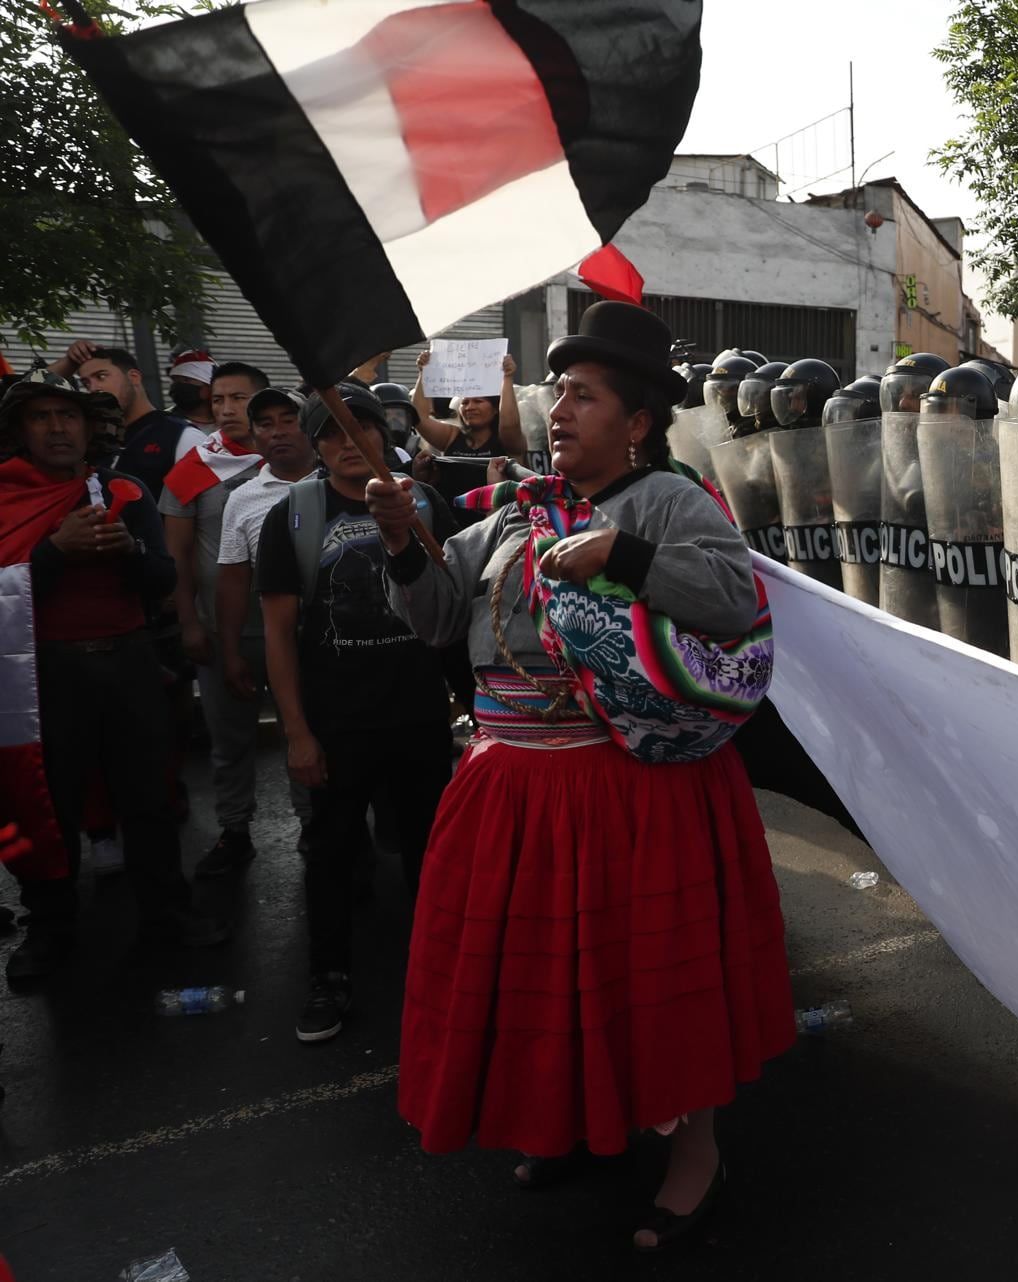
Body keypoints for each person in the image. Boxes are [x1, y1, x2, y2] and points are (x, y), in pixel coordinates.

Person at [369, 301, 793, 1252]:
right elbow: (438, 619)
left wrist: (625, 555)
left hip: (629, 796)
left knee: (650, 987)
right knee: (551, 987)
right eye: (558, 393)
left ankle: (696, 1158)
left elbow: (736, 600)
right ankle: (580, 1125)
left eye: (584, 395)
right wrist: (403, 541)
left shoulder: (670, 502)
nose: (559, 411)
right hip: (512, 793)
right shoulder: (517, 512)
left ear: (637, 421)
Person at [0, 379, 227, 983]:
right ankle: (50, 929)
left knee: (149, 798)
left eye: (67, 416)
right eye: (41, 417)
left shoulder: (125, 491)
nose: (56, 428)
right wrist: (54, 551)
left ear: (87, 427)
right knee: (47, 806)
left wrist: (128, 549)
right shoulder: (2, 499)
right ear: (20, 432)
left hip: (126, 665)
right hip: (43, 677)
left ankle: (168, 914)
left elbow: (158, 583)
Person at [254, 384, 456, 1042]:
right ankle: (329, 977)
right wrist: (297, 734)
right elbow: (279, 634)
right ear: (317, 447)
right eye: (333, 434)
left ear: (382, 434)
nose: (348, 445)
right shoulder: (292, 516)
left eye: (360, 429)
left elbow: (456, 606)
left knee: (434, 852)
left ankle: (446, 977)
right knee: (331, 855)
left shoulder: (425, 504)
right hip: (338, 724)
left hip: (420, 716)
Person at [159, 361, 271, 875]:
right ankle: (234, 831)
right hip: (223, 630)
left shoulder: (297, 460)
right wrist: (189, 623)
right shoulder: (192, 470)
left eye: (239, 398)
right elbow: (176, 556)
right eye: (219, 399)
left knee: (311, 730)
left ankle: (321, 828)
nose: (226, 409)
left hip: (295, 630)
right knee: (230, 742)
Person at [212, 387, 319, 861]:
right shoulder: (244, 499)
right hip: (272, 641)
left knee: (324, 740)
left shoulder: (342, 481)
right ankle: (254, 829)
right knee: (261, 740)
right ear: (253, 435)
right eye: (266, 424)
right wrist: (230, 650)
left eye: (287, 420)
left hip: (333, 645)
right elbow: (233, 581)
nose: (277, 432)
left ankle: (329, 833)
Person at [66, 343, 208, 502]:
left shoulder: (182, 436)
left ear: (134, 377)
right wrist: (67, 363)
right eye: (86, 383)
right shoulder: (94, 439)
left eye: (101, 376)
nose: (93, 388)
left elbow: (207, 512)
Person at [408, 351, 526, 459]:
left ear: (496, 408)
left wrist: (507, 377)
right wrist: (424, 372)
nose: (469, 407)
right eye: (464, 403)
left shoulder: (507, 440)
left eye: (478, 401)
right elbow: (419, 417)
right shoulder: (451, 436)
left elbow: (509, 424)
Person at [166, 348, 217, 428]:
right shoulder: (163, 422)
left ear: (208, 387)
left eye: (186, 380)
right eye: (175, 380)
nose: (178, 385)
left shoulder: (229, 422)